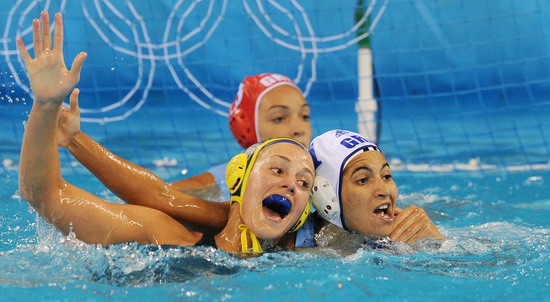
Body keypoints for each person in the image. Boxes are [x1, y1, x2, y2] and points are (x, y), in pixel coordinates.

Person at [17, 11, 313, 256]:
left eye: (303, 183)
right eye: (277, 170)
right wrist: (46, 105)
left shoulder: (309, 260)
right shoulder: (164, 236)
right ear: (237, 177)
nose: (290, 186)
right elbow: (45, 195)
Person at [170, 73, 312, 199]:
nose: (299, 129)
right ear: (245, 126)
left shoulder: (326, 175)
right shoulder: (225, 181)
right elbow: (161, 196)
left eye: (304, 116)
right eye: (279, 118)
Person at [299, 129, 444, 249]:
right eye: (363, 180)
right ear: (324, 195)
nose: (384, 190)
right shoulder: (292, 247)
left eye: (386, 176)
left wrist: (437, 244)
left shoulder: (399, 239)